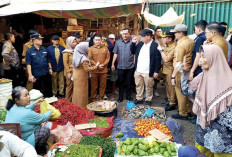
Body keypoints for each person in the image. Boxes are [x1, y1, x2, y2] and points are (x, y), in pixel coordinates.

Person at [189, 45, 232, 156]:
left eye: (204, 57)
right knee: (202, 152)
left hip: (222, 130)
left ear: (214, 58)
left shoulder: (229, 81)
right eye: (201, 57)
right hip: (204, 126)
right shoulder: (202, 76)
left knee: (220, 152)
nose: (200, 61)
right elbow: (187, 91)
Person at [5, 86, 52, 155]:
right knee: (45, 131)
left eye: (28, 94)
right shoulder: (27, 113)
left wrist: (34, 104)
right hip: (23, 142)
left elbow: (25, 109)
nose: (29, 97)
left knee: (37, 125)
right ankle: (38, 151)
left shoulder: (12, 108)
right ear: (17, 100)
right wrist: (51, 111)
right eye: (25, 96)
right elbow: (43, 118)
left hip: (13, 142)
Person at [171, 24, 195, 119]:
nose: (174, 35)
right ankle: (187, 110)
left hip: (180, 71)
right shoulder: (191, 41)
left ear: (180, 34)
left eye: (175, 33)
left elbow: (179, 63)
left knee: (180, 92)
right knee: (186, 91)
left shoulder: (181, 44)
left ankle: (182, 113)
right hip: (188, 70)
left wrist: (173, 76)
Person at [132, 29, 161, 106]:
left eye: (143, 36)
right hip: (138, 69)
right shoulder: (141, 44)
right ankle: (139, 98)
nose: (141, 38)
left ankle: (148, 99)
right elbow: (132, 51)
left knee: (149, 86)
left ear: (148, 36)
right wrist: (133, 43)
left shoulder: (155, 45)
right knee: (138, 85)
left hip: (148, 71)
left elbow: (158, 60)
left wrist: (156, 71)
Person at [111, 28, 136, 102]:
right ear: (121, 34)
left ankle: (128, 96)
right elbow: (115, 53)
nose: (125, 35)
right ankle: (120, 97)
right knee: (121, 82)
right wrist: (113, 64)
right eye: (123, 34)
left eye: (126, 34)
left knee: (128, 82)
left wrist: (134, 62)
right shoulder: (118, 43)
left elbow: (134, 54)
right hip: (120, 66)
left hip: (130, 66)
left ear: (129, 34)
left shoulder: (132, 43)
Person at [72, 42, 99, 107]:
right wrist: (96, 66)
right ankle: (82, 107)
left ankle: (75, 106)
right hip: (82, 76)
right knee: (82, 93)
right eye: (88, 47)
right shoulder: (84, 58)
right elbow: (87, 69)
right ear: (83, 48)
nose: (89, 49)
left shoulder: (77, 55)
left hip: (76, 75)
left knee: (76, 92)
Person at [26, 33, 53, 97]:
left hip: (46, 73)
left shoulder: (44, 49)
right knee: (37, 92)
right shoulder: (29, 51)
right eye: (39, 39)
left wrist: (50, 68)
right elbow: (28, 64)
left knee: (48, 90)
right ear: (34, 40)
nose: (41, 40)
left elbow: (48, 59)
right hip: (36, 75)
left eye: (41, 39)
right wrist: (30, 75)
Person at [88, 34, 110, 101]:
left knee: (102, 85)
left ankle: (101, 97)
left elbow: (107, 58)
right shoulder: (91, 49)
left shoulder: (105, 48)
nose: (97, 41)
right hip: (94, 70)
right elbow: (90, 59)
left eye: (99, 40)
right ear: (94, 40)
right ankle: (93, 98)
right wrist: (97, 66)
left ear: (101, 40)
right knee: (94, 86)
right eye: (96, 40)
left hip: (103, 70)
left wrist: (102, 64)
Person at [159, 29, 177, 111]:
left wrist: (161, 51)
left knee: (171, 87)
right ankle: (169, 100)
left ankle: (172, 103)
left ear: (170, 39)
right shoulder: (168, 45)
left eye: (164, 37)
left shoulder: (174, 47)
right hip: (165, 69)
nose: (163, 39)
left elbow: (166, 59)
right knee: (167, 86)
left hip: (171, 69)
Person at [62, 36, 77, 102]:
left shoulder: (76, 51)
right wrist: (68, 72)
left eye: (75, 42)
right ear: (69, 43)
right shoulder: (66, 52)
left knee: (75, 87)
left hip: (76, 71)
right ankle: (67, 101)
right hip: (70, 72)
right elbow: (65, 63)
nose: (75, 43)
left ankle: (73, 100)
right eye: (73, 42)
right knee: (69, 87)